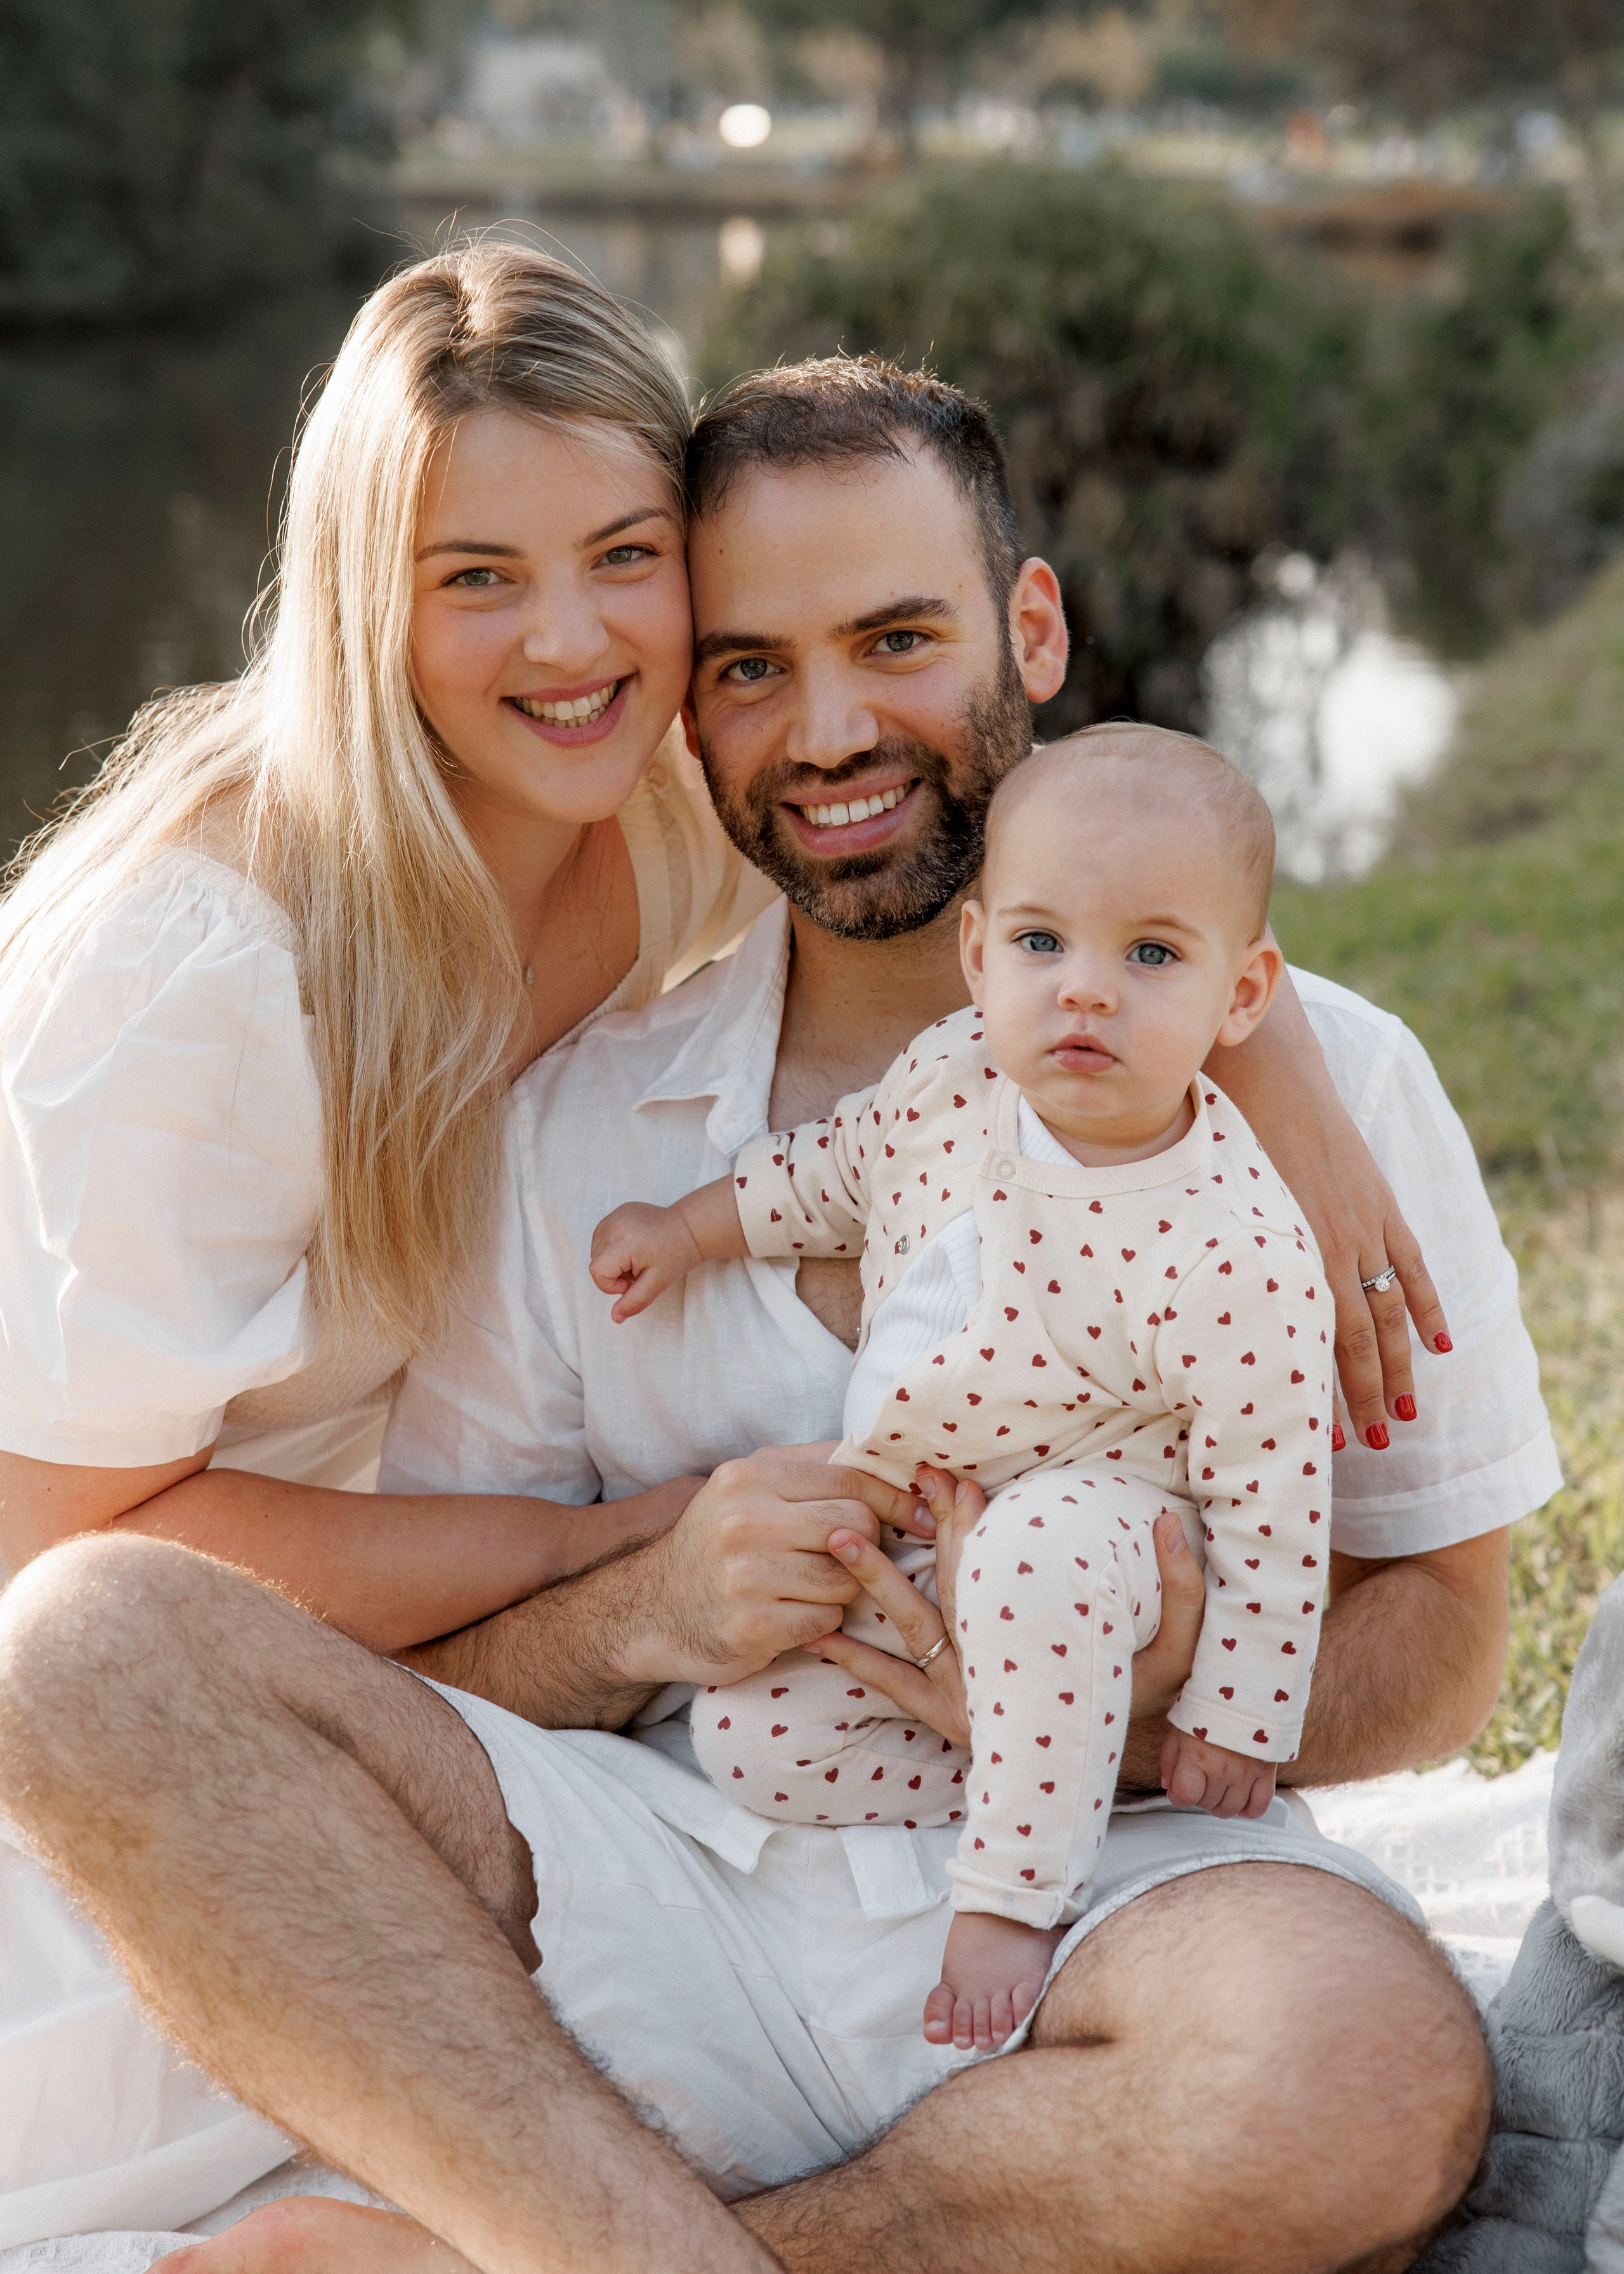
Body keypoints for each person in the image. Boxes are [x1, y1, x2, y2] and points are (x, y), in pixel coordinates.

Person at [0, 358, 1557, 2272]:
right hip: (656, 1883)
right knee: (84, 1645)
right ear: (682, 712)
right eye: (749, 667)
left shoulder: (1333, 1098)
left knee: (1362, 2073)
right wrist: (641, 1607)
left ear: (1032, 630)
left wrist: (1140, 1715)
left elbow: (1448, 1640)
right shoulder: (578, 1119)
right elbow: (454, 1685)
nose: (829, 733)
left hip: (1112, 1895)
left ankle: (573, 2244)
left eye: (897, 640)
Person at [0, 237, 776, 2243]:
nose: (572, 640)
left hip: (408, 1642)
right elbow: (66, 1553)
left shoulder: (664, 807)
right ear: (365, 598)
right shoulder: (205, 963)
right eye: (476, 578)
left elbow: (1032, 859)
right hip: (97, 1699)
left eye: (625, 554)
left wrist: (1284, 1060)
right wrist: (600, 1543)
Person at [593, 725, 1335, 2049]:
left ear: (1241, 994)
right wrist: (687, 1231)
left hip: (1106, 1529)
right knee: (751, 1735)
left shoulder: (1231, 1243)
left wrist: (1239, 1710)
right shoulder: (947, 1079)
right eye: (1044, 944)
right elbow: (829, 1171)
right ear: (980, 954)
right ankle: (1057, 1783)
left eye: (1150, 956)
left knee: (1032, 1554)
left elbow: (1275, 1497)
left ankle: (1012, 1899)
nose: (1086, 992)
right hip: (931, 1532)